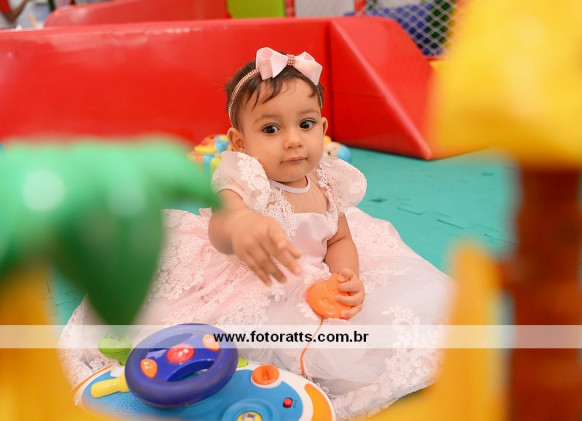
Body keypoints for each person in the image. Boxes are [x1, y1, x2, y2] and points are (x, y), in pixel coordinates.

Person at [60, 47, 453, 419]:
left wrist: (345, 275)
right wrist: (243, 224)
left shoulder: (328, 180)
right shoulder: (244, 176)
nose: (293, 139)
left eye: (305, 124)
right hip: (251, 278)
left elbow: (338, 238)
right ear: (240, 142)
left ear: (322, 128)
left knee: (413, 305)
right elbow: (221, 224)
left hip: (312, 276)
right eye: (271, 128)